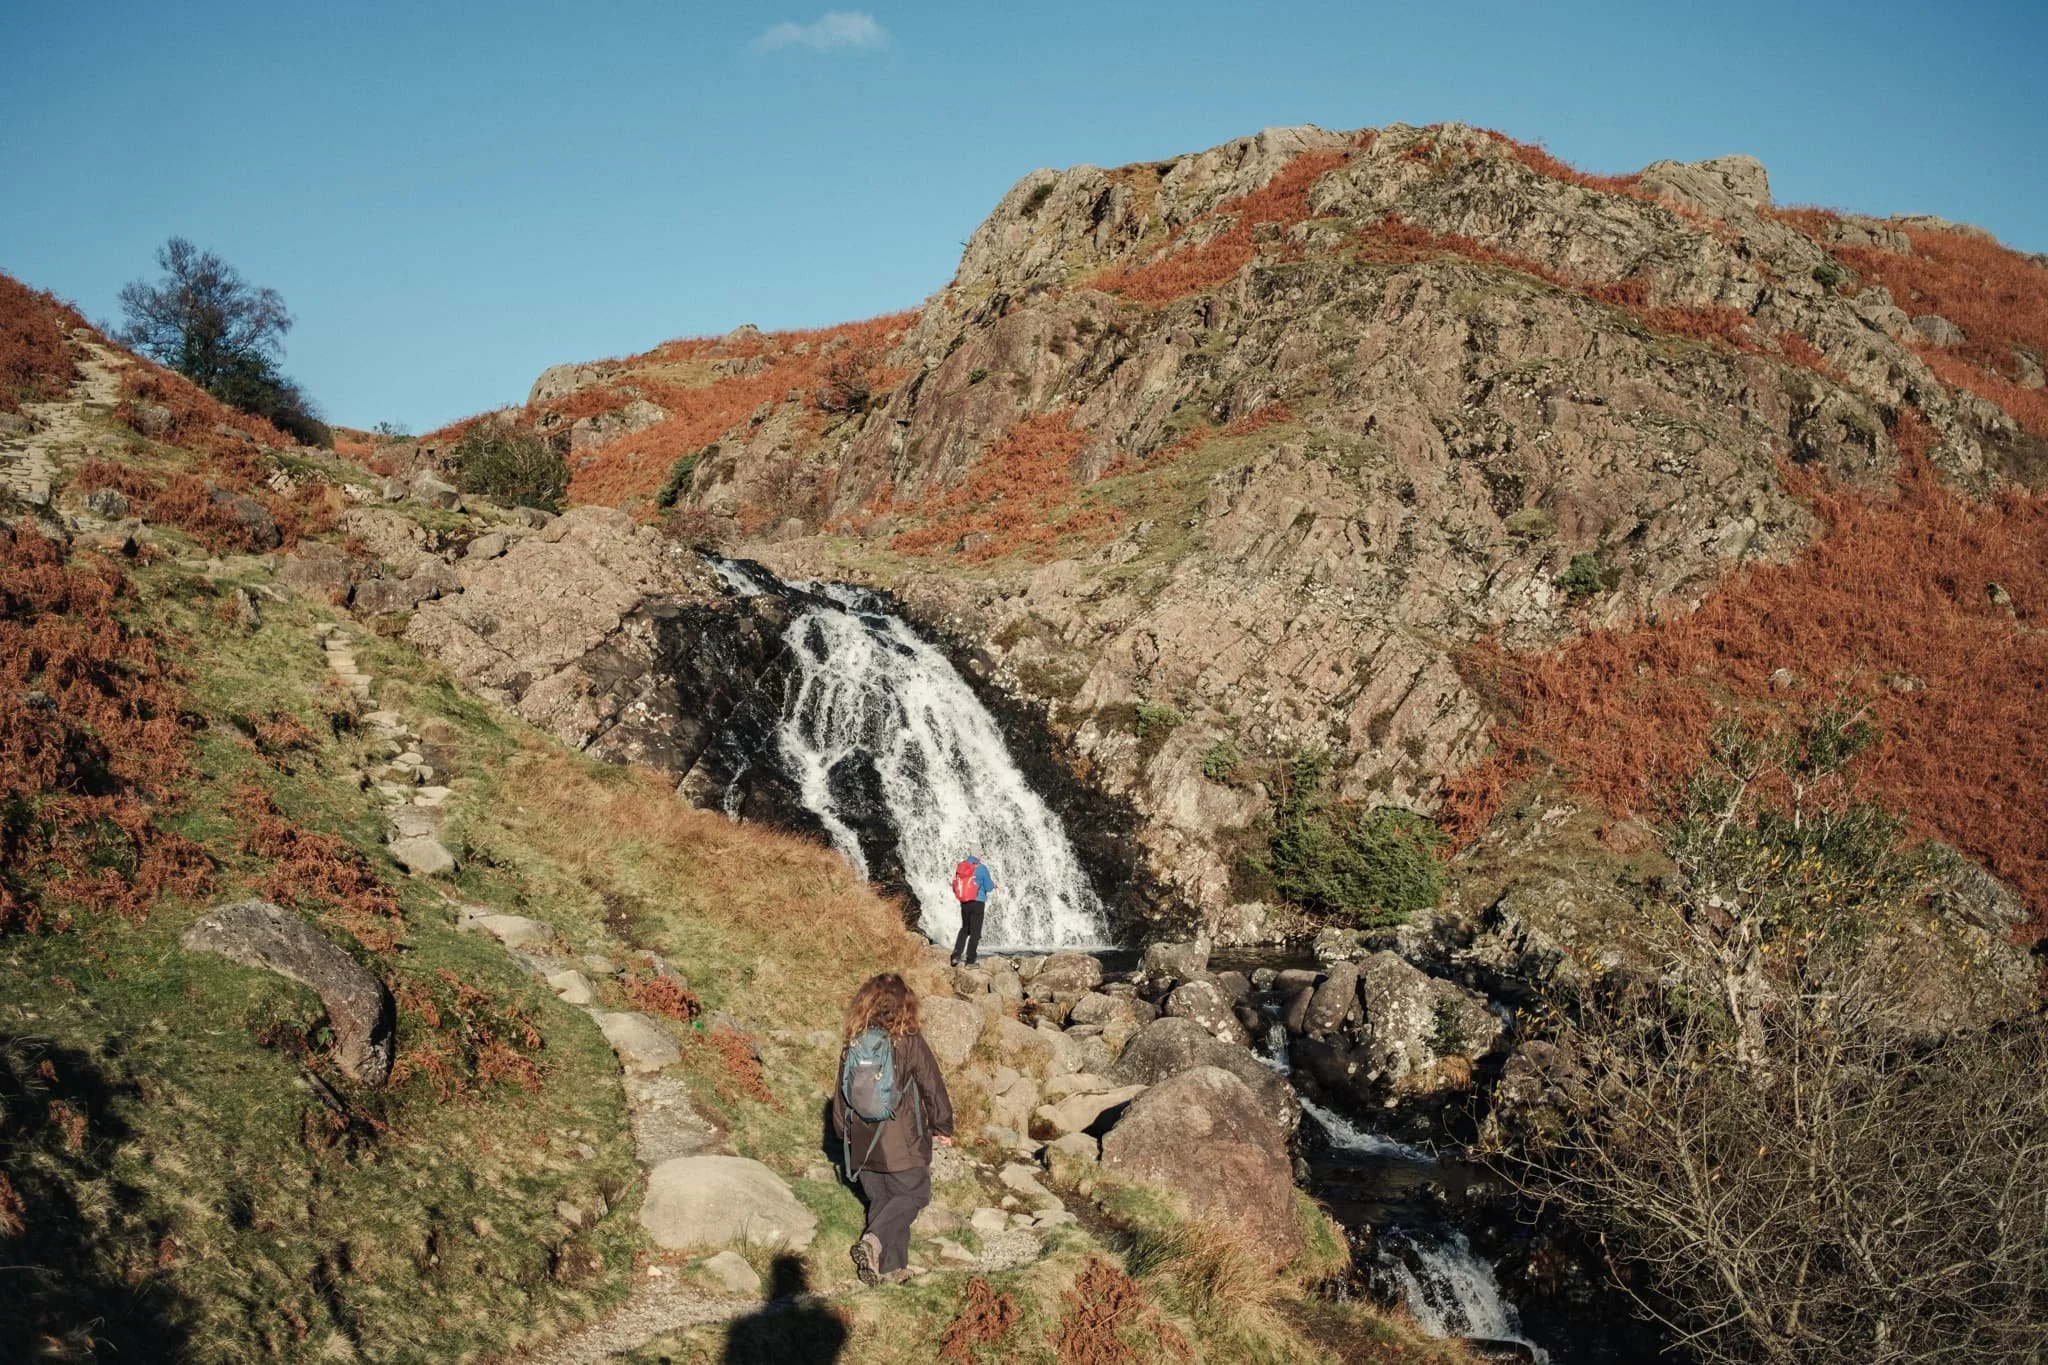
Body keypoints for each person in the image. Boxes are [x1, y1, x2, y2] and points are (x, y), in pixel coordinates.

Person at [831, 973, 953, 1286]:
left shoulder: (855, 1041)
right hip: (903, 1141)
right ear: (905, 1005)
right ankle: (873, 1241)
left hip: (862, 1140)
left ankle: (890, 1269)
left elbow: (841, 1092)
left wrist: (841, 1133)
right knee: (914, 1195)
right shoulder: (908, 1039)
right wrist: (942, 1125)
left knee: (884, 1202)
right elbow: (931, 1084)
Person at [949, 854, 996, 967]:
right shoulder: (981, 868)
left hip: (964, 902)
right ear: (978, 857)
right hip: (978, 902)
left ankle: (956, 955)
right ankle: (970, 961)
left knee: (965, 929)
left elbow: (955, 883)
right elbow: (989, 887)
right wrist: (993, 885)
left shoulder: (961, 866)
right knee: (975, 932)